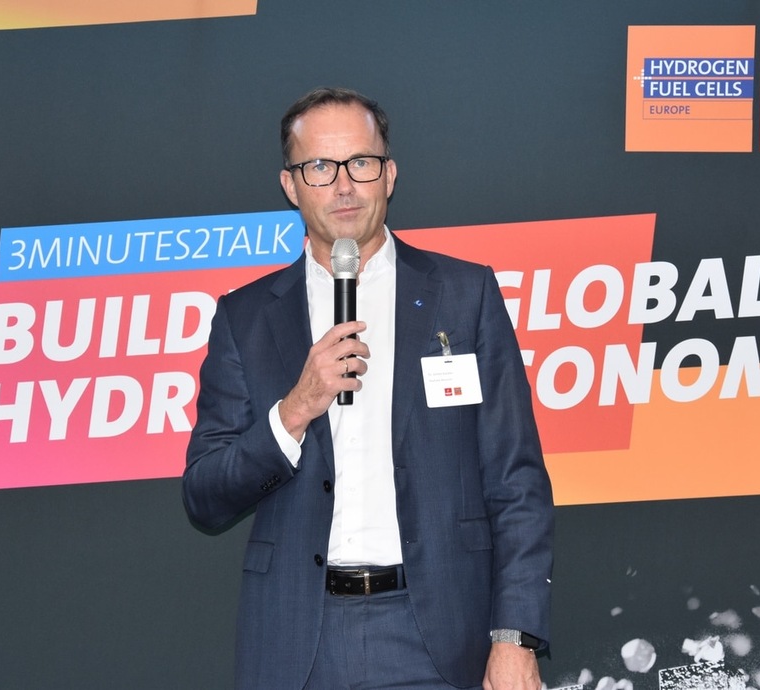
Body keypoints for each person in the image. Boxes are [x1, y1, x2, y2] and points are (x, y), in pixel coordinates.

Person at [183, 87, 554, 690]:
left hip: (437, 637)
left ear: (389, 174)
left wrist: (515, 636)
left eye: (361, 162)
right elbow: (205, 496)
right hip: (299, 639)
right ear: (290, 185)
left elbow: (517, 483)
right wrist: (295, 409)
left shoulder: (465, 296)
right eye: (320, 167)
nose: (344, 186)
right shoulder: (245, 318)